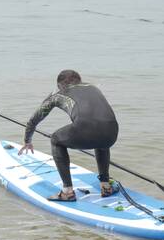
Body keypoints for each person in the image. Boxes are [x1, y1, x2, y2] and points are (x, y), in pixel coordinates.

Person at [18, 70, 119, 201]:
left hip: (86, 128)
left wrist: (27, 141)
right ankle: (106, 186)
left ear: (59, 85)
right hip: (112, 132)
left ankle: (67, 192)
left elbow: (34, 119)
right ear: (80, 80)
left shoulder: (58, 94)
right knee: (101, 140)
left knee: (56, 139)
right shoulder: (93, 87)